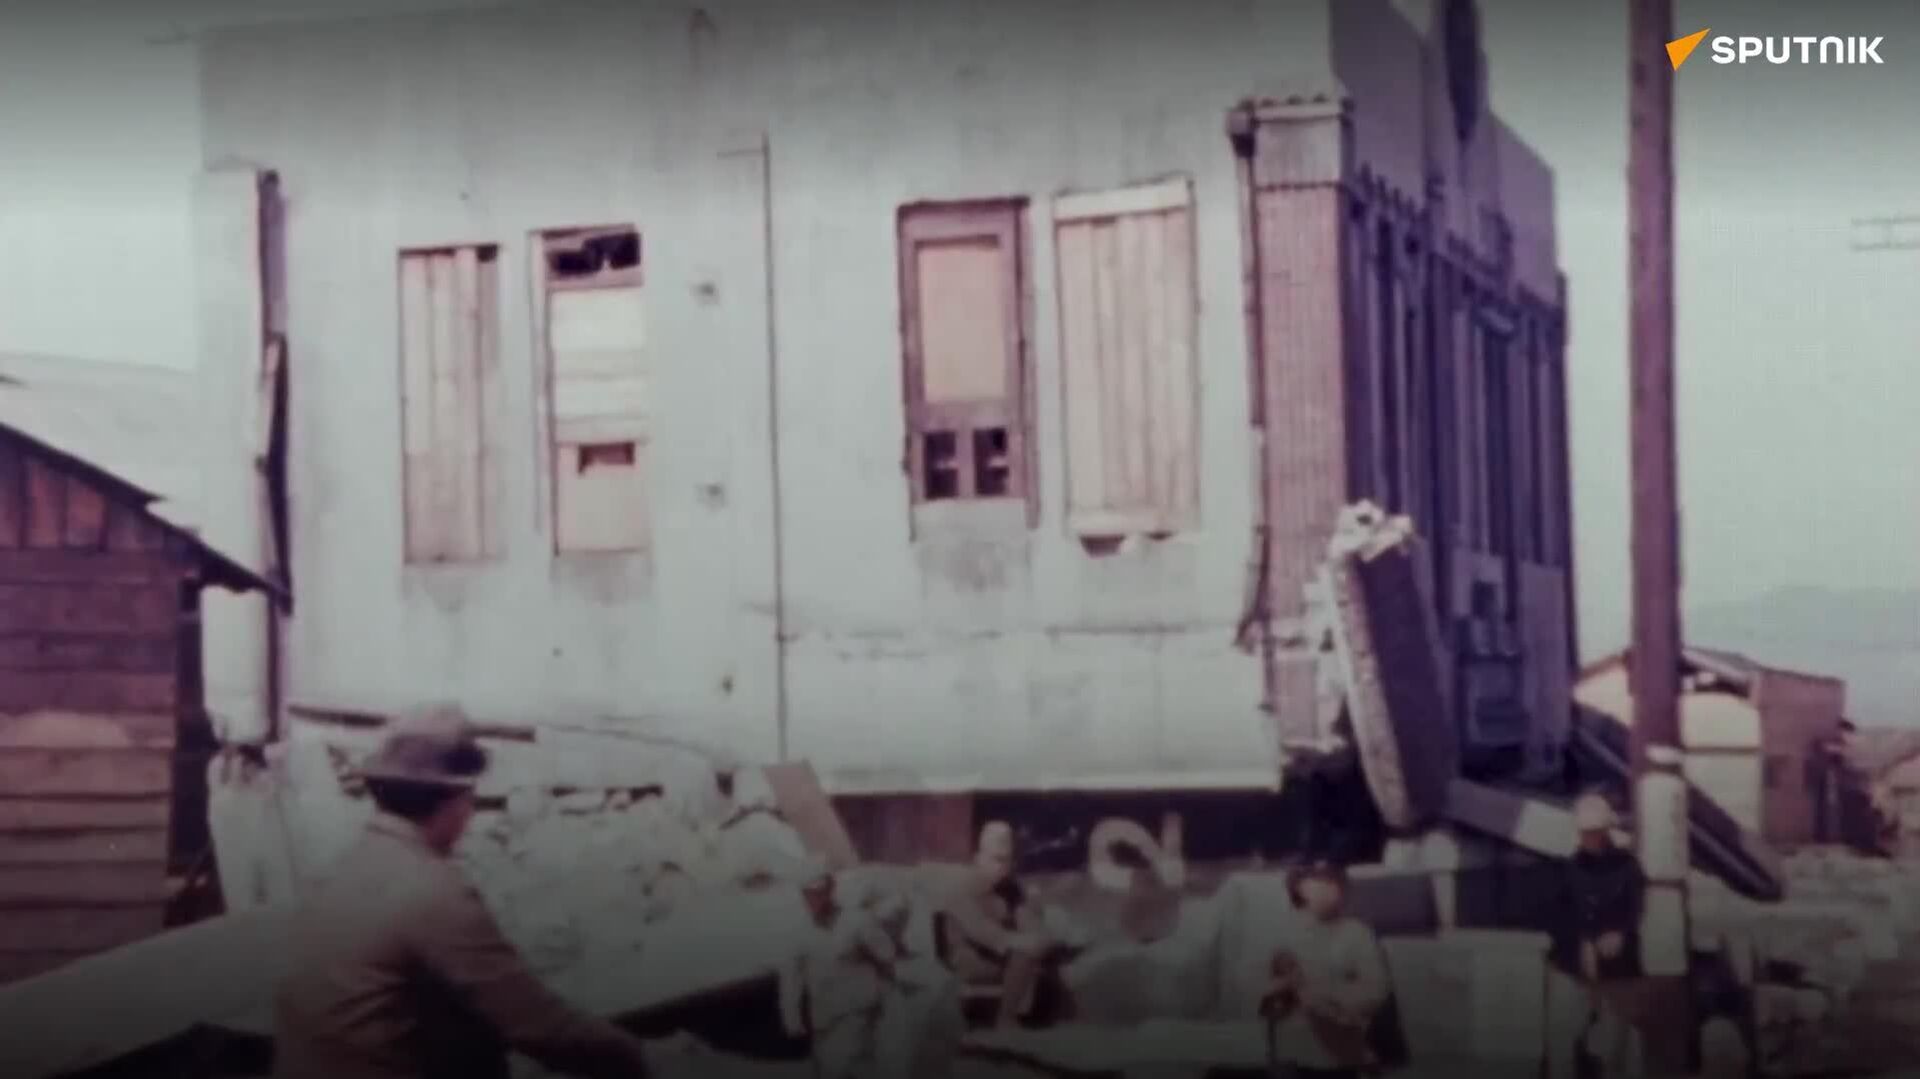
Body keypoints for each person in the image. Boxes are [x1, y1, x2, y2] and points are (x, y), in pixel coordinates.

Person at [273, 706, 656, 1079]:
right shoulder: (431, 890)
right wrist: (639, 1057)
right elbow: (538, 1025)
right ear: (456, 801)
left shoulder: (342, 872)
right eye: (470, 796)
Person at [1264, 860, 1390, 1079]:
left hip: (1341, 1056)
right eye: (1319, 879)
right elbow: (1258, 994)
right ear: (1299, 886)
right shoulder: (1280, 933)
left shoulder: (1357, 933)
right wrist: (1278, 990)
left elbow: (1376, 989)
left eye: (1335, 881)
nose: (1330, 888)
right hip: (1291, 1056)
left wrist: (1320, 995)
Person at [781, 863, 902, 1079]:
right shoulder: (799, 933)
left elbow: (887, 957)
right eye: (808, 894)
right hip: (823, 1018)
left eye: (819, 892)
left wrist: (887, 999)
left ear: (830, 890)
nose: (814, 899)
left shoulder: (857, 921)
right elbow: (791, 979)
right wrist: (792, 1016)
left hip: (857, 1012)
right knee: (829, 1069)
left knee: (843, 1067)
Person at [938, 821, 1057, 1028]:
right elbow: (986, 934)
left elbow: (1030, 923)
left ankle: (1031, 1018)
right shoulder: (960, 891)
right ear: (978, 858)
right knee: (1025, 952)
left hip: (1001, 956)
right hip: (969, 959)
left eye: (1008, 860)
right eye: (996, 859)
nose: (1003, 867)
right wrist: (1028, 942)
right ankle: (1006, 1020)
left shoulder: (1010, 889)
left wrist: (1039, 934)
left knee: (1040, 950)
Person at [1564, 791, 1647, 1077]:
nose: (1588, 839)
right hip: (1583, 969)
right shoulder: (1573, 867)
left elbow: (1636, 907)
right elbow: (1566, 911)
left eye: (1594, 833)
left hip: (1621, 966)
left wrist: (1620, 933)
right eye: (1584, 833)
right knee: (1581, 1036)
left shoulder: (1627, 866)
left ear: (1605, 831)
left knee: (1617, 1039)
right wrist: (1584, 942)